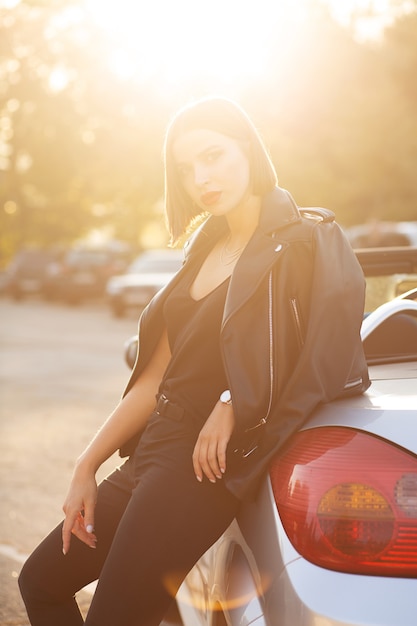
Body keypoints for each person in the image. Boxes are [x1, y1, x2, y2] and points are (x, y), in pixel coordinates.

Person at [19, 96, 370, 626]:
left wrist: (236, 401)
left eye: (213, 156)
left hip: (201, 469)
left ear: (248, 148)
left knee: (114, 617)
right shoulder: (203, 249)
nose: (201, 178)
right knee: (40, 581)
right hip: (154, 449)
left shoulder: (306, 241)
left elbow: (328, 356)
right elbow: (153, 380)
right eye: (186, 169)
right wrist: (85, 465)